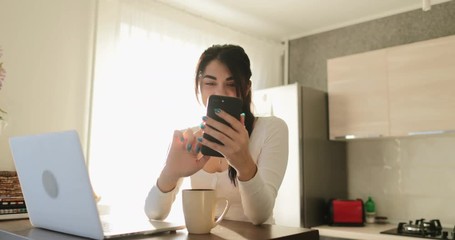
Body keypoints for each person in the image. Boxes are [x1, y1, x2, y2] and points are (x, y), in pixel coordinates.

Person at [144, 44, 288, 225]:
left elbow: (259, 216)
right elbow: (154, 213)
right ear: (199, 87)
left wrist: (244, 164)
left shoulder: (271, 129)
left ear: (246, 88)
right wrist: (170, 173)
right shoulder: (188, 138)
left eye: (232, 84)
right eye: (210, 83)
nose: (220, 92)